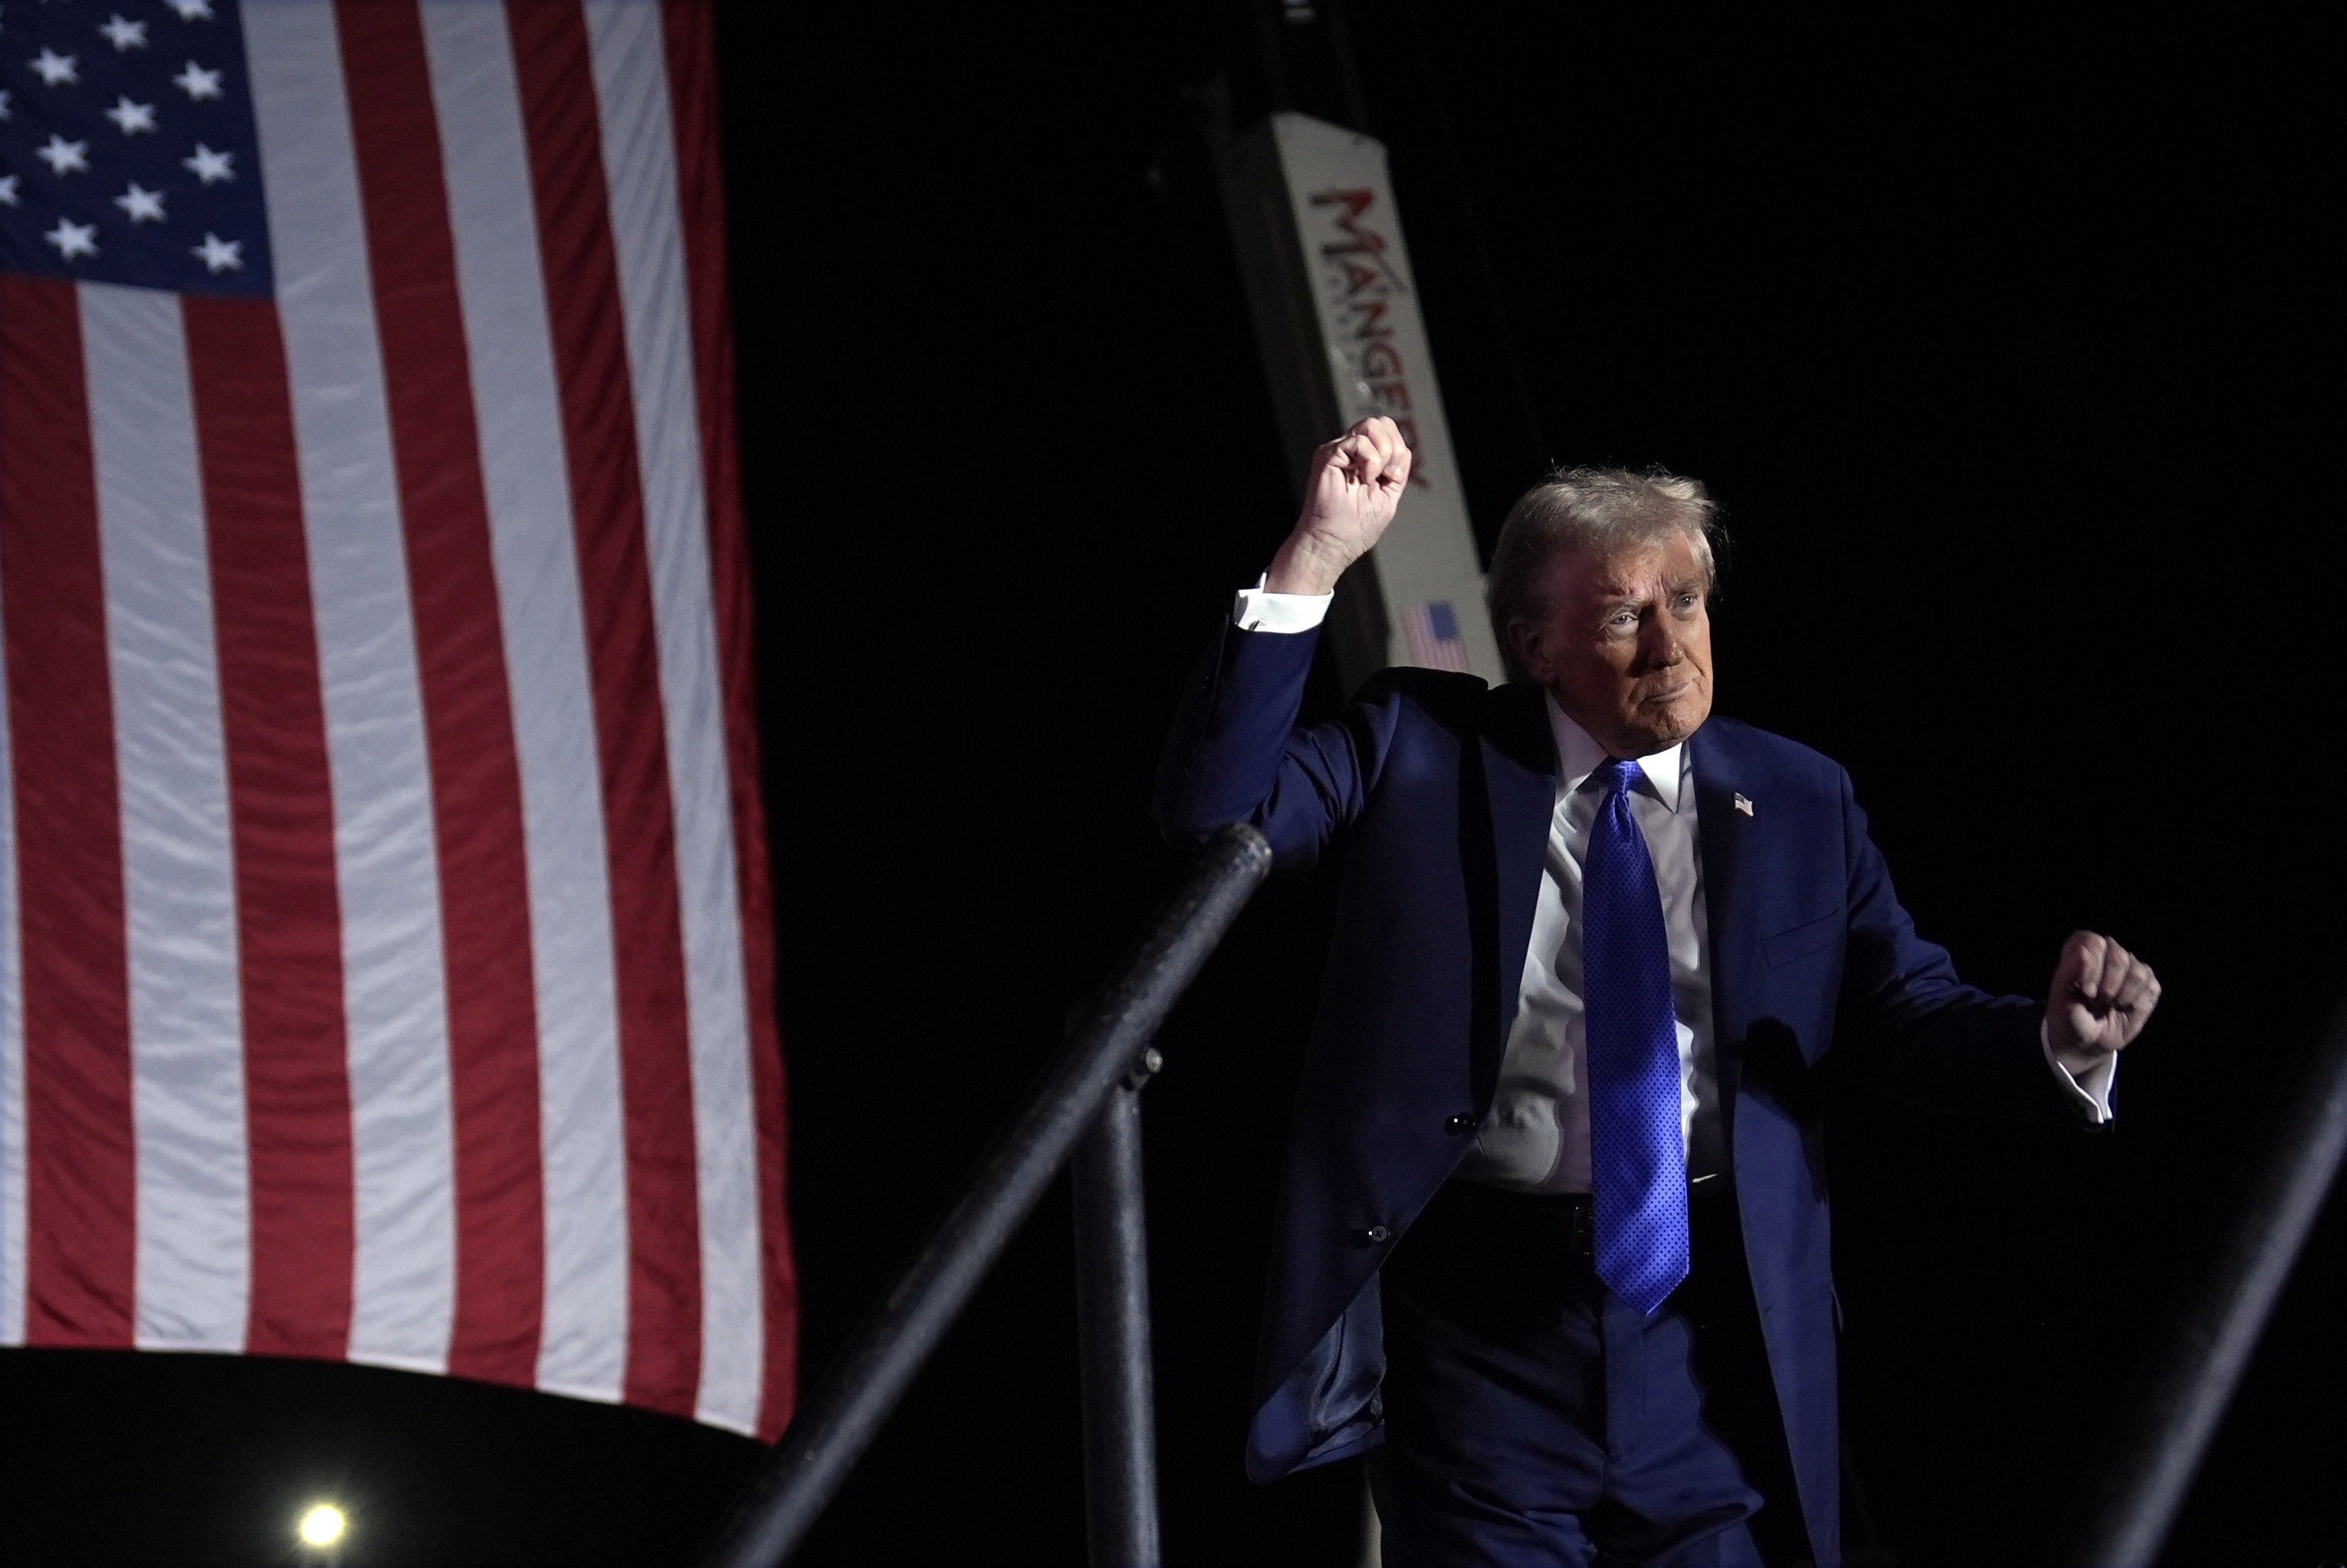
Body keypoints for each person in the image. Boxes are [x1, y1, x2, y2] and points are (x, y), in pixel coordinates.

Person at [1155, 417, 2159, 1568]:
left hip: (1712, 1336)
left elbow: (1901, 1010)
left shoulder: (1797, 796)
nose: (1668, 647)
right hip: (1481, 1334)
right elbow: (1214, 818)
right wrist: (1316, 559)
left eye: (1684, 601)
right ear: (1535, 645)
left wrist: (2056, 1043)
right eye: (1623, 615)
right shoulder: (1413, 747)